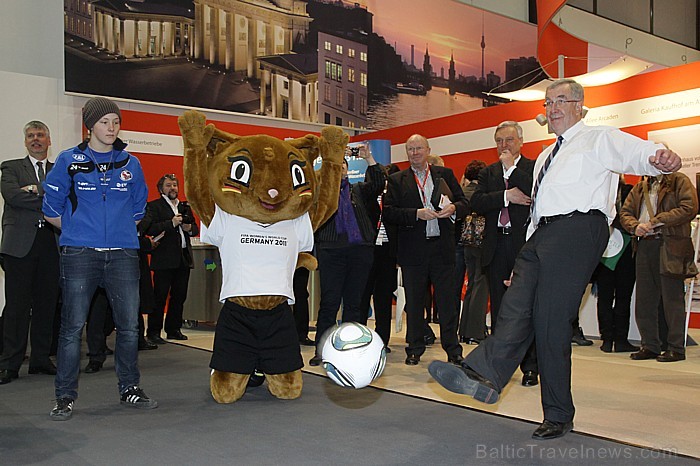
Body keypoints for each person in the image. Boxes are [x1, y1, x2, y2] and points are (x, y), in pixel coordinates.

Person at [428, 78, 682, 440]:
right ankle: (483, 376)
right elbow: (538, 210)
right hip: (541, 233)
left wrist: (660, 156)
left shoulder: (599, 138)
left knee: (550, 320)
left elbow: (640, 153)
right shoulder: (547, 155)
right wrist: (524, 261)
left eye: (561, 100)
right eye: (548, 103)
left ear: (580, 105)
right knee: (514, 306)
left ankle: (558, 414)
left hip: (581, 228)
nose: (553, 107)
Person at [43, 97, 157, 420]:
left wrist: (116, 234)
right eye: (105, 122)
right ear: (90, 125)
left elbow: (138, 211)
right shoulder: (69, 160)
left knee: (130, 327)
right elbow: (50, 210)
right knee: (71, 328)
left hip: (122, 255)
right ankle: (64, 396)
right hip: (80, 255)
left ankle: (130, 388)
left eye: (116, 122)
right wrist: (80, 232)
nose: (111, 128)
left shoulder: (130, 164)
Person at [383, 134, 468, 366]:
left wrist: (453, 208)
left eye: (419, 148)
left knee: (448, 302)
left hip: (443, 250)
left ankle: (453, 349)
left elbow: (464, 203)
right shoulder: (397, 180)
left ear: (428, 150)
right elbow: (388, 212)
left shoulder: (445, 175)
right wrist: (415, 214)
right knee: (414, 301)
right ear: (406, 153)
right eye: (410, 149)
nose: (415, 153)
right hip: (413, 252)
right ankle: (414, 348)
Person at [470, 121, 539, 388]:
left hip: (524, 246)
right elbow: (477, 202)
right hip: (496, 246)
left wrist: (511, 170)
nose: (504, 146)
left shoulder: (532, 168)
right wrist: (506, 196)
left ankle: (530, 367)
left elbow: (534, 193)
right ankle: (498, 367)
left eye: (509, 140)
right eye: (499, 141)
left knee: (526, 309)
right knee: (499, 309)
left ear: (520, 141)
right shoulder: (488, 173)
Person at [310, 147, 385, 366]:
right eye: (335, 165)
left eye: (343, 165)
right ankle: (321, 349)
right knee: (330, 303)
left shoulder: (359, 190)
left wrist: (369, 158)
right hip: (331, 251)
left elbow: (379, 184)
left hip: (360, 251)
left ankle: (351, 350)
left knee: (354, 304)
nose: (340, 169)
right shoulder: (320, 193)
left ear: (347, 169)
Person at [0, 121, 60, 385]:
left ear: (49, 140)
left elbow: (68, 198)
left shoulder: (60, 170)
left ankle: (40, 360)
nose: (36, 139)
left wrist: (36, 189)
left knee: (47, 306)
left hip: (51, 244)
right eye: (31, 136)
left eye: (40, 135)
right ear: (25, 142)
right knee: (16, 307)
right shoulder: (11, 167)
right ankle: (10, 363)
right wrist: (48, 195)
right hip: (19, 246)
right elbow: (12, 196)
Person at [620, 173, 697, 362]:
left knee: (672, 299)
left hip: (670, 244)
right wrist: (635, 226)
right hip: (644, 244)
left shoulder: (680, 181)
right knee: (645, 300)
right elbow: (625, 212)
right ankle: (650, 345)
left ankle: (676, 348)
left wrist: (657, 220)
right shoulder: (641, 186)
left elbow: (689, 208)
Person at [141, 174, 199, 343]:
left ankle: (173, 329)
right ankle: (153, 332)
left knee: (179, 296)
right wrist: (171, 223)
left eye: (174, 185)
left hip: (183, 258)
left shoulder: (184, 206)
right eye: (168, 185)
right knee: (159, 297)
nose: (172, 188)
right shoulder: (154, 206)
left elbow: (194, 229)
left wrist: (189, 228)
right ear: (161, 189)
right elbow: (149, 228)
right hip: (164, 259)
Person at [592, 175, 638, 353]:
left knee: (605, 297)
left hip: (604, 249)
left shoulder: (598, 191)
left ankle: (607, 339)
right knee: (622, 296)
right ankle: (619, 339)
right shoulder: (630, 191)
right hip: (625, 249)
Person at [359, 163, 401, 352]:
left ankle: (382, 340)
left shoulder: (392, 199)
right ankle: (359, 338)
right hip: (367, 252)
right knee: (362, 296)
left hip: (387, 252)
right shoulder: (363, 196)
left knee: (383, 299)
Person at [456, 160, 489, 346]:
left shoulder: (463, 193)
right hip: (481, 242)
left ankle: (465, 330)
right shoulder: (482, 194)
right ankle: (475, 331)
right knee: (481, 284)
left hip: (466, 242)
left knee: (471, 286)